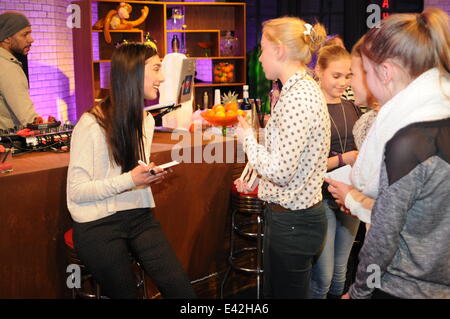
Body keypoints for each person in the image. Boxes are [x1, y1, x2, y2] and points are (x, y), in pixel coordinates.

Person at [67, 42, 197, 299]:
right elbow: (77, 192)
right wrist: (130, 180)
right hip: (97, 223)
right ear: (133, 71)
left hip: (138, 215)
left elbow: (131, 173)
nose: (162, 78)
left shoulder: (146, 120)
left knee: (181, 290)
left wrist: (145, 177)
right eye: (156, 68)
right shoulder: (92, 123)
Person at [338, 8, 450, 299]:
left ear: (385, 72)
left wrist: (359, 292)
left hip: (401, 287)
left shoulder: (408, 140)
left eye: (363, 70)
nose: (358, 80)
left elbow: (383, 237)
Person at [235, 16, 330, 299]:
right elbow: (290, 162)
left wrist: (248, 140)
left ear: (279, 50)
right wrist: (258, 184)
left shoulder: (298, 96)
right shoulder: (296, 90)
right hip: (294, 220)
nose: (260, 57)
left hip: (294, 225)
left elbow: (282, 171)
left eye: (263, 48)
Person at [309, 45, 361, 299]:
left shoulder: (351, 108)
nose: (343, 82)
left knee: (342, 271)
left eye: (348, 75)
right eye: (336, 76)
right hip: (322, 199)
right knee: (323, 276)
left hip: (351, 196)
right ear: (319, 71)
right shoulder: (311, 110)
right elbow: (307, 164)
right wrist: (344, 158)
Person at [0, 11, 38, 130]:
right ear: (7, 38)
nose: (31, 40)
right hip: (9, 144)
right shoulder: (8, 68)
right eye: (25, 34)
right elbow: (29, 119)